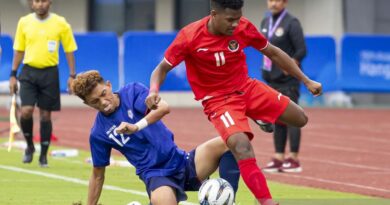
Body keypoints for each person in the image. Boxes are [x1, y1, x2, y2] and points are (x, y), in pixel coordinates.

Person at [145, 0, 322, 204]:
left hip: (248, 88)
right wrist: (153, 91)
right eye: (230, 20)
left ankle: (257, 114)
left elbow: (272, 52)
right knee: (241, 146)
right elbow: (161, 69)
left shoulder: (244, 27)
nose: (235, 25)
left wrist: (306, 80)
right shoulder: (189, 36)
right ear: (214, 14)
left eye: (238, 19)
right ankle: (266, 200)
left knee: (300, 119)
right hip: (219, 101)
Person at [71, 70, 236, 205]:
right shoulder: (99, 132)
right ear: (88, 104)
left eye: (103, 94)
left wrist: (136, 127)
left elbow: (163, 108)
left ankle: (229, 200)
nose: (103, 102)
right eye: (95, 101)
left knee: (230, 141)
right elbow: (97, 174)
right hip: (156, 175)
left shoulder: (132, 92)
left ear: (108, 84)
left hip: (182, 161)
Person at [9, 0, 77, 167]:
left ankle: (43, 156)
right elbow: (19, 49)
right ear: (32, 4)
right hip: (29, 71)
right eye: (37, 1)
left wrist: (72, 75)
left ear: (50, 3)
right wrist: (13, 74)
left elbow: (69, 50)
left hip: (50, 73)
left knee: (46, 115)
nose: (40, 4)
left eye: (43, 1)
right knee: (26, 111)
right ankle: (30, 146)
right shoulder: (24, 22)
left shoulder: (60, 23)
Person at [260, 0, 307, 173]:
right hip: (271, 79)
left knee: (292, 116)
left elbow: (301, 50)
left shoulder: (292, 23)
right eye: (270, 0)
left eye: (277, 0)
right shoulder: (265, 22)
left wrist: (291, 65)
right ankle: (279, 156)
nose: (273, 3)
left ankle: (293, 158)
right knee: (277, 117)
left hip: (288, 81)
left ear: (285, 2)